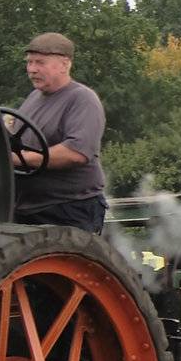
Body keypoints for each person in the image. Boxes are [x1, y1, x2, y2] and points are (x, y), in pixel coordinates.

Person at [10, 32, 107, 233]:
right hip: (28, 209)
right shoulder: (34, 97)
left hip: (69, 209)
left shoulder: (82, 99)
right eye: (29, 62)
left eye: (40, 63)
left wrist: (18, 160)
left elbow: (76, 153)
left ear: (65, 64)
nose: (32, 69)